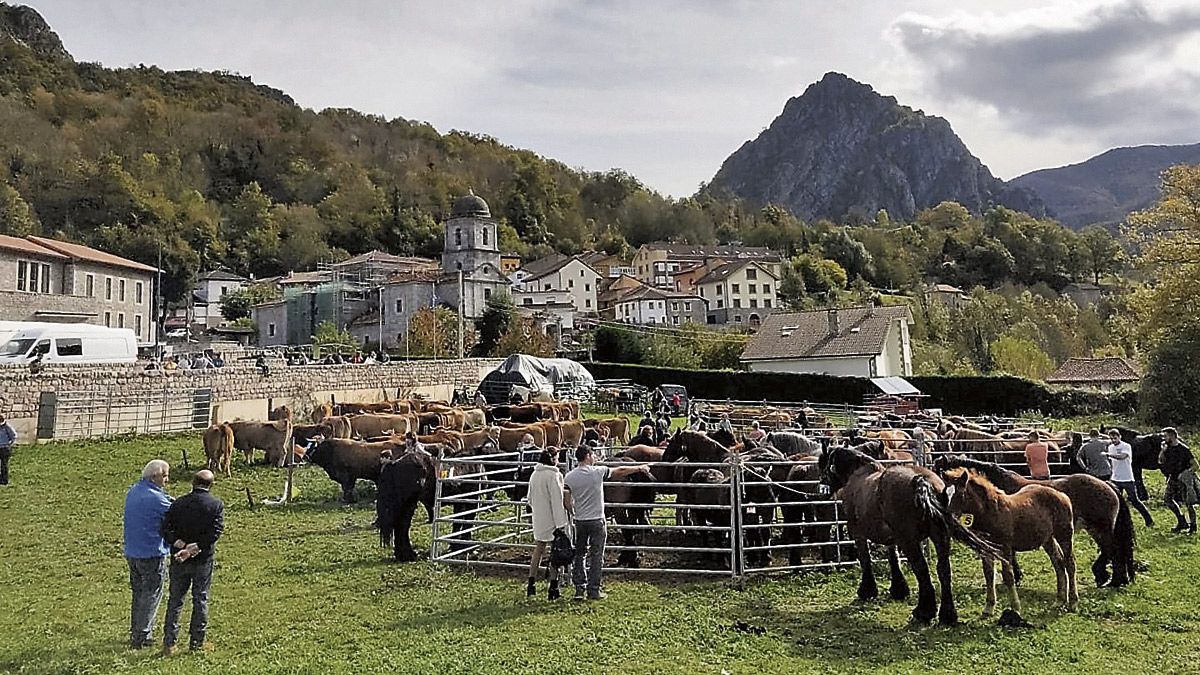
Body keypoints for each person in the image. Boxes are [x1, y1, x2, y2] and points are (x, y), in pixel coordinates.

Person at [564, 446, 651, 601]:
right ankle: (594, 590)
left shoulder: (569, 477)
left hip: (580, 520)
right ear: (588, 456)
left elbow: (566, 501)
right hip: (597, 519)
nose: (595, 457)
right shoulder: (597, 472)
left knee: (580, 554)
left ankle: (579, 589)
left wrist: (574, 512)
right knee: (597, 555)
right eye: (593, 455)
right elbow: (621, 471)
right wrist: (639, 467)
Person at [160, 469, 225, 655]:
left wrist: (181, 545)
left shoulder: (178, 503)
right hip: (202, 559)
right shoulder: (215, 505)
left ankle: (169, 643)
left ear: (192, 483)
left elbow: (166, 528)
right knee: (200, 599)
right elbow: (215, 532)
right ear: (211, 485)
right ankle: (197, 642)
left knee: (175, 600)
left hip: (179, 558)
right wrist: (194, 548)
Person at [123, 460, 173, 649]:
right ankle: (143, 634)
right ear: (155, 477)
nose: (167, 480)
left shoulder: (134, 491)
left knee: (138, 592)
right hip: (151, 552)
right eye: (165, 475)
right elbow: (174, 510)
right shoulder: (157, 499)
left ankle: (136, 629)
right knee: (152, 593)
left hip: (132, 551)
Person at [526, 449, 571, 600]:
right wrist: (561, 524)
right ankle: (553, 586)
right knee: (555, 553)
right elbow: (557, 501)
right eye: (557, 457)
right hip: (552, 519)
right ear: (552, 459)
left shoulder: (535, 474)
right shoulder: (554, 475)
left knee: (538, 549)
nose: (558, 460)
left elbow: (530, 498)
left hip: (539, 517)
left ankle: (531, 583)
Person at [1105, 429, 1153, 527]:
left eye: (1115, 438)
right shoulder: (1110, 447)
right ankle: (1118, 523)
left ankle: (1149, 520)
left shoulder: (1126, 446)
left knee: (1134, 501)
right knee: (1116, 502)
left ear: (1119, 437)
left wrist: (1109, 455)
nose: (1113, 440)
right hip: (1115, 478)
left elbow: (1122, 456)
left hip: (1127, 478)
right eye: (1111, 438)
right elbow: (1112, 463)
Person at [1160, 427, 1198, 534]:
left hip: (1183, 480)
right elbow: (1160, 460)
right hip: (1172, 478)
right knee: (1167, 499)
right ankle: (1181, 521)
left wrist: (1185, 474)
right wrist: (1163, 450)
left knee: (1188, 504)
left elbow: (1196, 466)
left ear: (1172, 435)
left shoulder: (1184, 449)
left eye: (1166, 436)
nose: (1164, 438)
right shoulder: (1167, 448)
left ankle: (1193, 526)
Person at [0, 414, 16, 485]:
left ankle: (4, 479)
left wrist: (9, 444)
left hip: (5, 448)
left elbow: (13, 436)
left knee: (4, 464)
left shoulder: (7, 427)